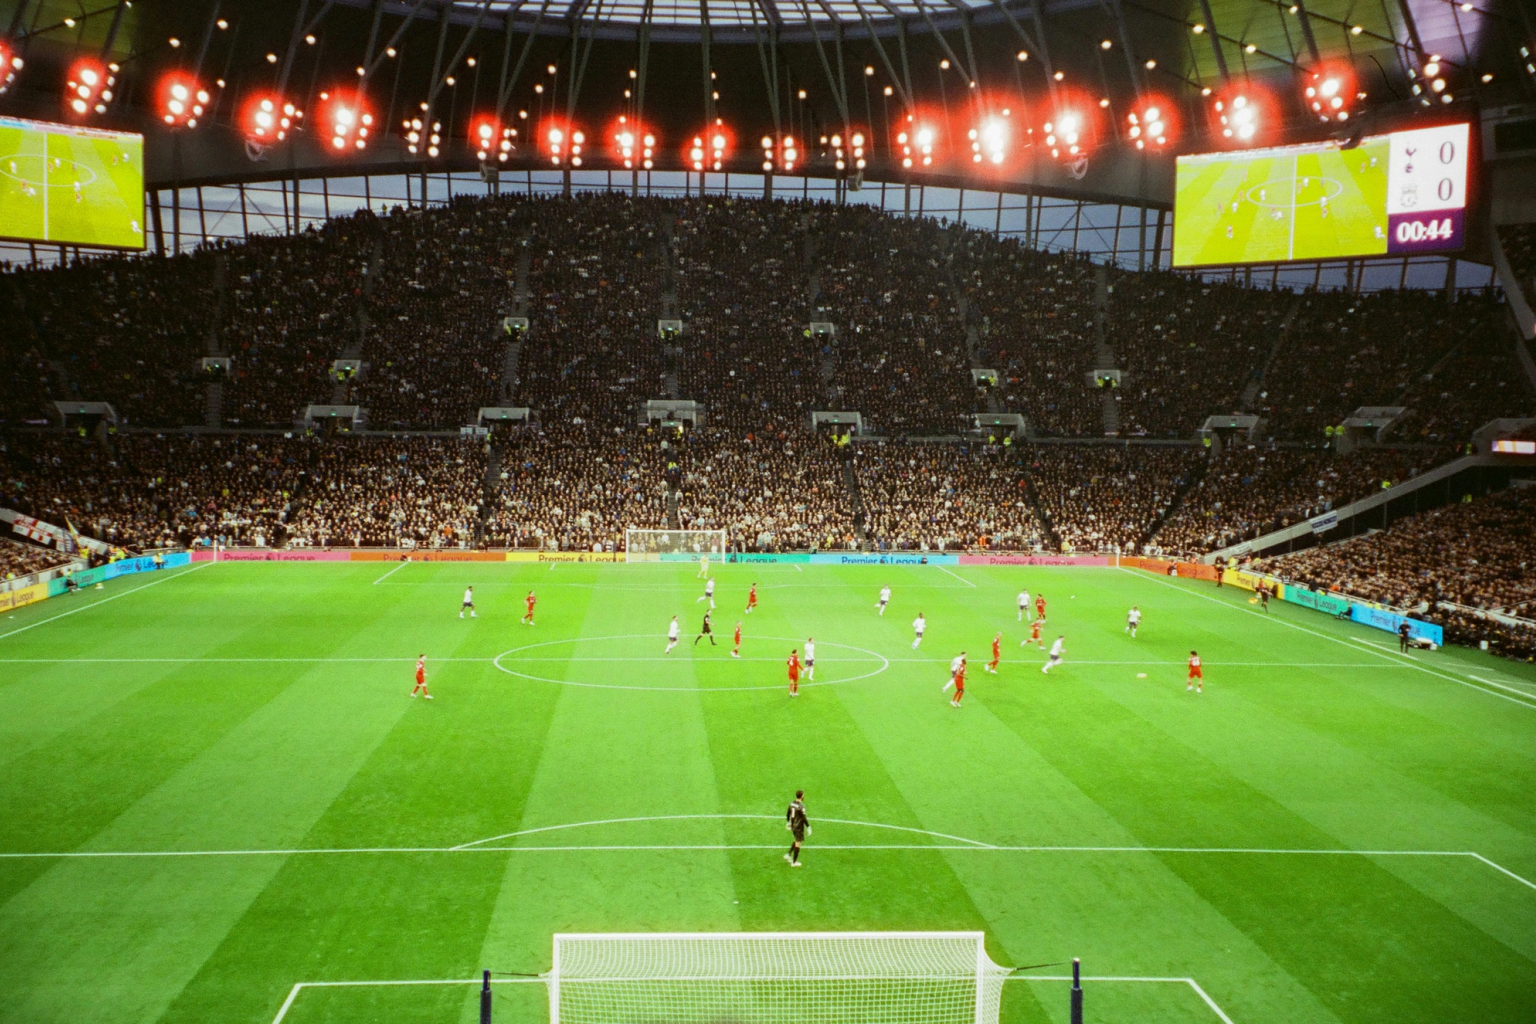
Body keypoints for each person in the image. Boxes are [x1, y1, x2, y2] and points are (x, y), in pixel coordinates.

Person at [784, 789, 809, 866]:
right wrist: (808, 827)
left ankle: (788, 854)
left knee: (796, 840)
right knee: (798, 843)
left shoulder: (792, 804)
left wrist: (788, 822)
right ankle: (794, 863)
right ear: (801, 796)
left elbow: (788, 814)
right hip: (799, 827)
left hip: (793, 826)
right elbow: (804, 818)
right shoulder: (801, 806)